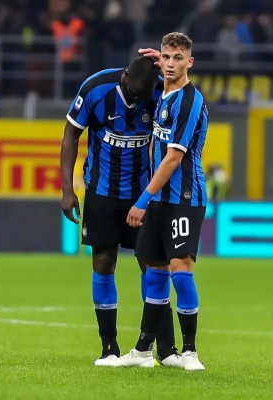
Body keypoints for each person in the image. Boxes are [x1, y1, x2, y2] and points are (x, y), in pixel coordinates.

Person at [60, 56, 182, 368]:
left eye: (144, 95)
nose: (139, 100)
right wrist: (67, 189)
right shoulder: (95, 88)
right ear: (125, 77)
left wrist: (168, 62)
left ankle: (165, 349)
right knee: (103, 262)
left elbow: (187, 103)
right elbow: (71, 134)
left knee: (153, 265)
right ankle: (109, 348)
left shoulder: (160, 93)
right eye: (135, 93)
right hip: (101, 192)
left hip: (142, 195)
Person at [118, 32, 208, 371]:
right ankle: (143, 351)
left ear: (190, 62)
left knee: (181, 272)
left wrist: (142, 199)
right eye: (166, 57)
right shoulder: (165, 94)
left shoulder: (188, 101)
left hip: (184, 197)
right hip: (159, 199)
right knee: (154, 273)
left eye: (177, 58)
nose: (170, 64)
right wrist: (158, 61)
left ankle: (190, 352)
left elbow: (172, 158)